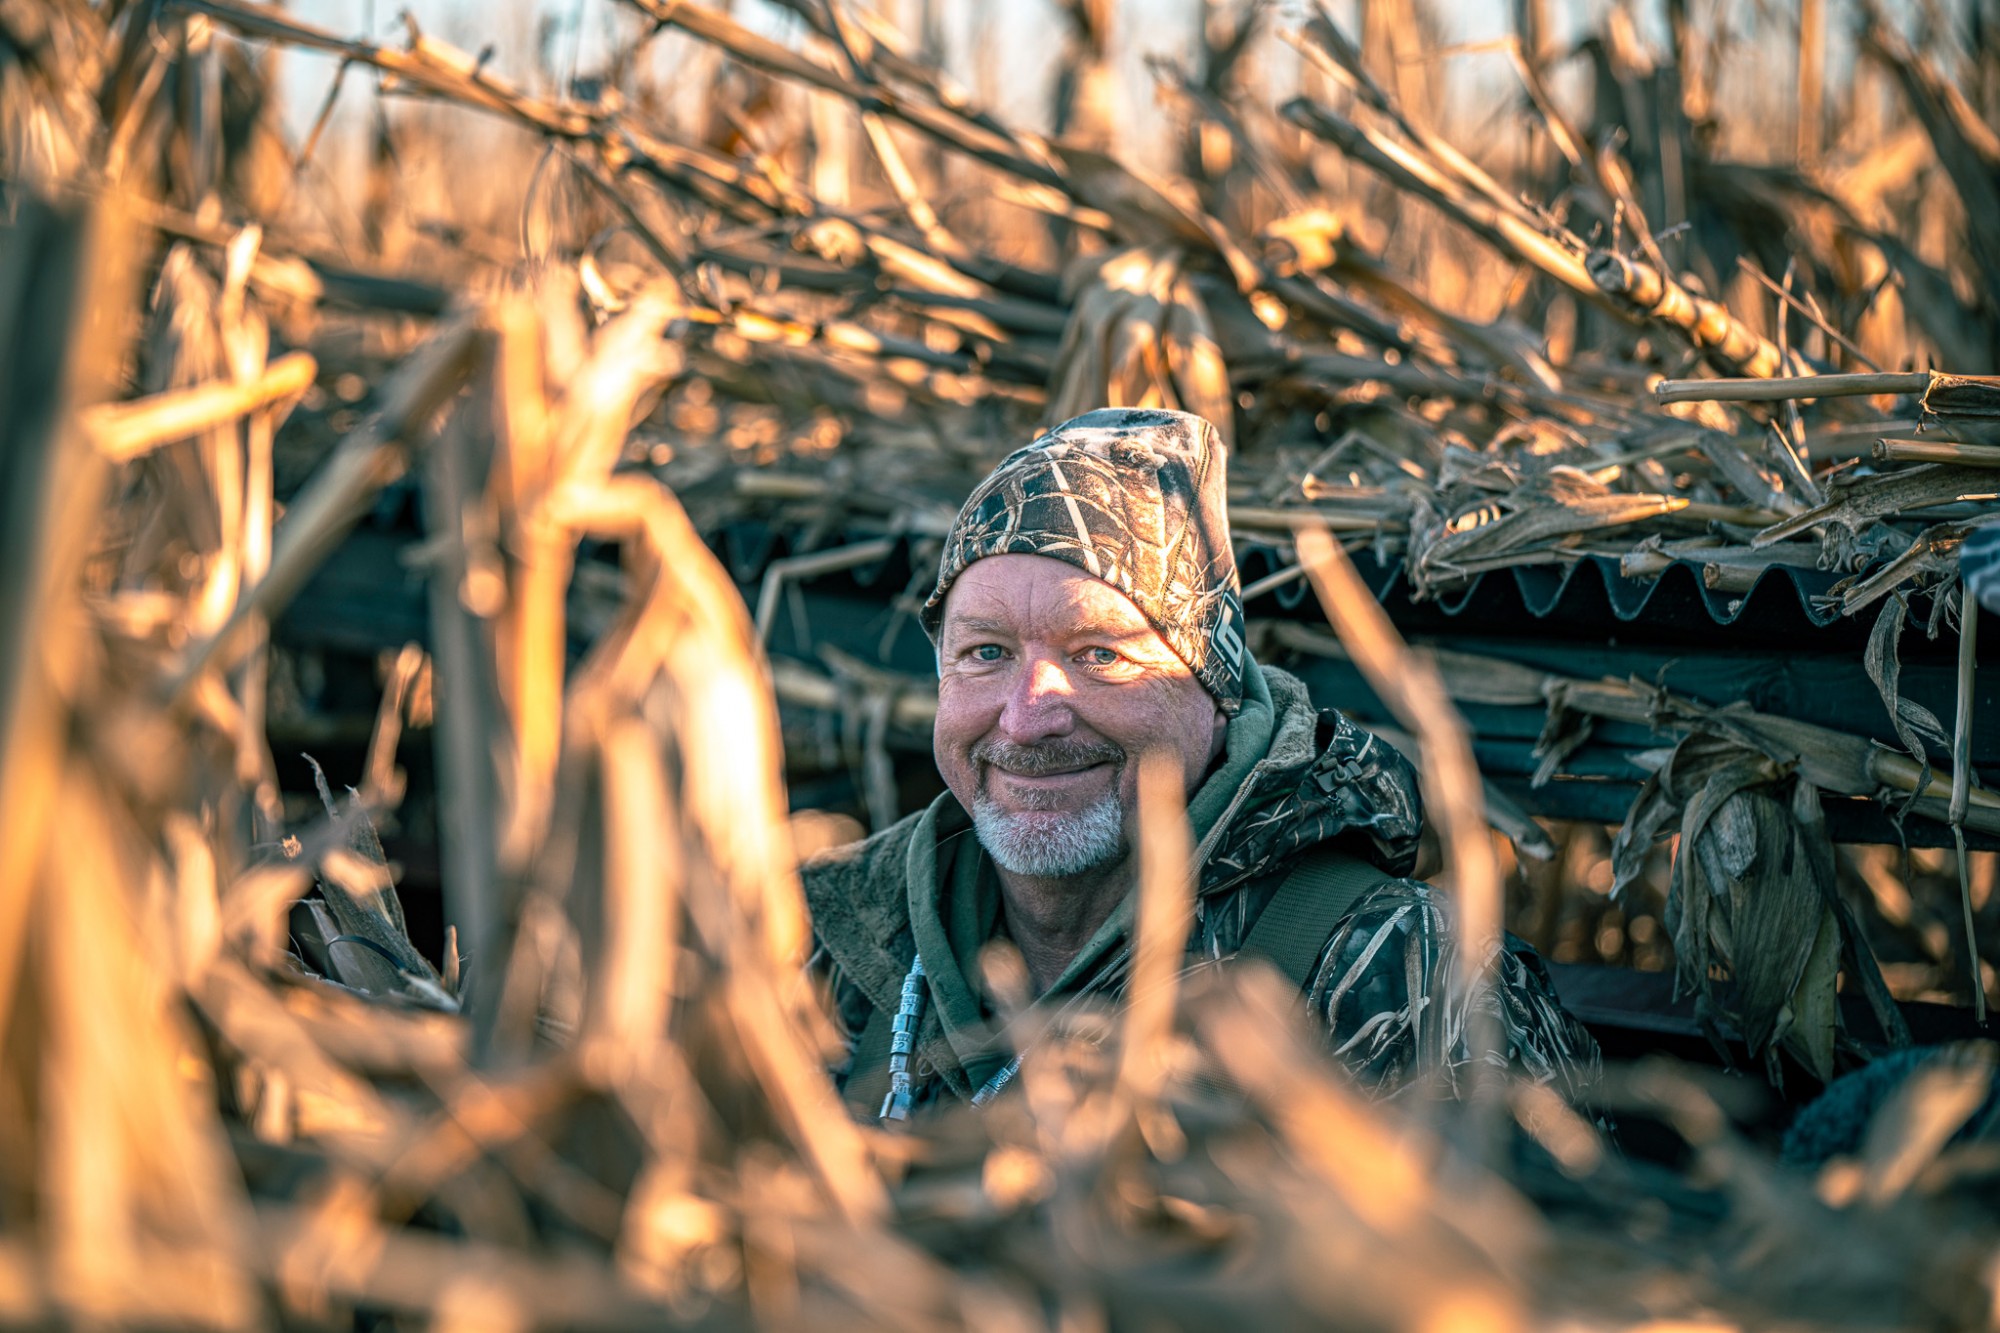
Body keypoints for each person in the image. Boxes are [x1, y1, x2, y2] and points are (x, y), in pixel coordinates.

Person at [801, 407, 1597, 1119]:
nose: (1026, 716)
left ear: (1210, 687)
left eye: (1100, 652)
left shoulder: (1406, 971)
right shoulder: (831, 939)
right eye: (984, 652)